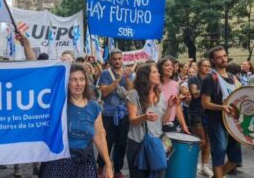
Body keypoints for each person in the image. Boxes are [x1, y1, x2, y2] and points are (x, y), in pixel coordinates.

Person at [39, 63, 113, 178]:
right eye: (74, 80)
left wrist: (108, 165)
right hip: (58, 164)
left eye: (81, 79)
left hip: (84, 165)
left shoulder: (94, 107)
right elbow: (41, 84)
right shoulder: (58, 104)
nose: (79, 84)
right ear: (66, 82)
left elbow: (99, 137)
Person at [126, 63, 178, 178]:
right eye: (154, 72)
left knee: (158, 174)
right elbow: (132, 120)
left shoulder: (160, 94)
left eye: (157, 72)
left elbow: (163, 121)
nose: (158, 74)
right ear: (145, 76)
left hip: (157, 142)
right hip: (138, 143)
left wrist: (170, 107)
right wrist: (144, 117)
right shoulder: (133, 94)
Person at [201, 46, 242, 178]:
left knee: (235, 159)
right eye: (219, 57)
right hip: (216, 122)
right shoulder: (210, 78)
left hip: (232, 122)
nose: (223, 59)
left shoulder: (232, 77)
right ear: (213, 60)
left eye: (224, 56)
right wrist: (222, 108)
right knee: (219, 155)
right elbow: (205, 103)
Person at [96, 49, 132, 178]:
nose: (117, 61)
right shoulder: (106, 73)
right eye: (115, 59)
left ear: (122, 59)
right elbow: (104, 92)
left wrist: (127, 78)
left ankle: (117, 169)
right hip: (109, 114)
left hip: (124, 114)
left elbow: (131, 91)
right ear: (110, 60)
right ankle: (101, 165)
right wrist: (118, 79)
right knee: (107, 141)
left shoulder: (127, 72)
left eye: (119, 59)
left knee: (121, 143)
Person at [187, 59, 213, 177]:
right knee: (200, 140)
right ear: (198, 67)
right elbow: (195, 93)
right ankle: (190, 163)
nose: (207, 68)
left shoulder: (211, 79)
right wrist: (207, 91)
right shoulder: (194, 79)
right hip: (195, 112)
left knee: (207, 141)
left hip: (208, 112)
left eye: (209, 66)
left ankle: (204, 167)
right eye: (204, 66)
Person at [157, 58, 190, 134]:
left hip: (170, 124)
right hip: (155, 123)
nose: (170, 67)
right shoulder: (155, 84)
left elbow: (177, 106)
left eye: (172, 65)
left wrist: (184, 125)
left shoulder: (176, 84)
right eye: (167, 65)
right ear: (160, 68)